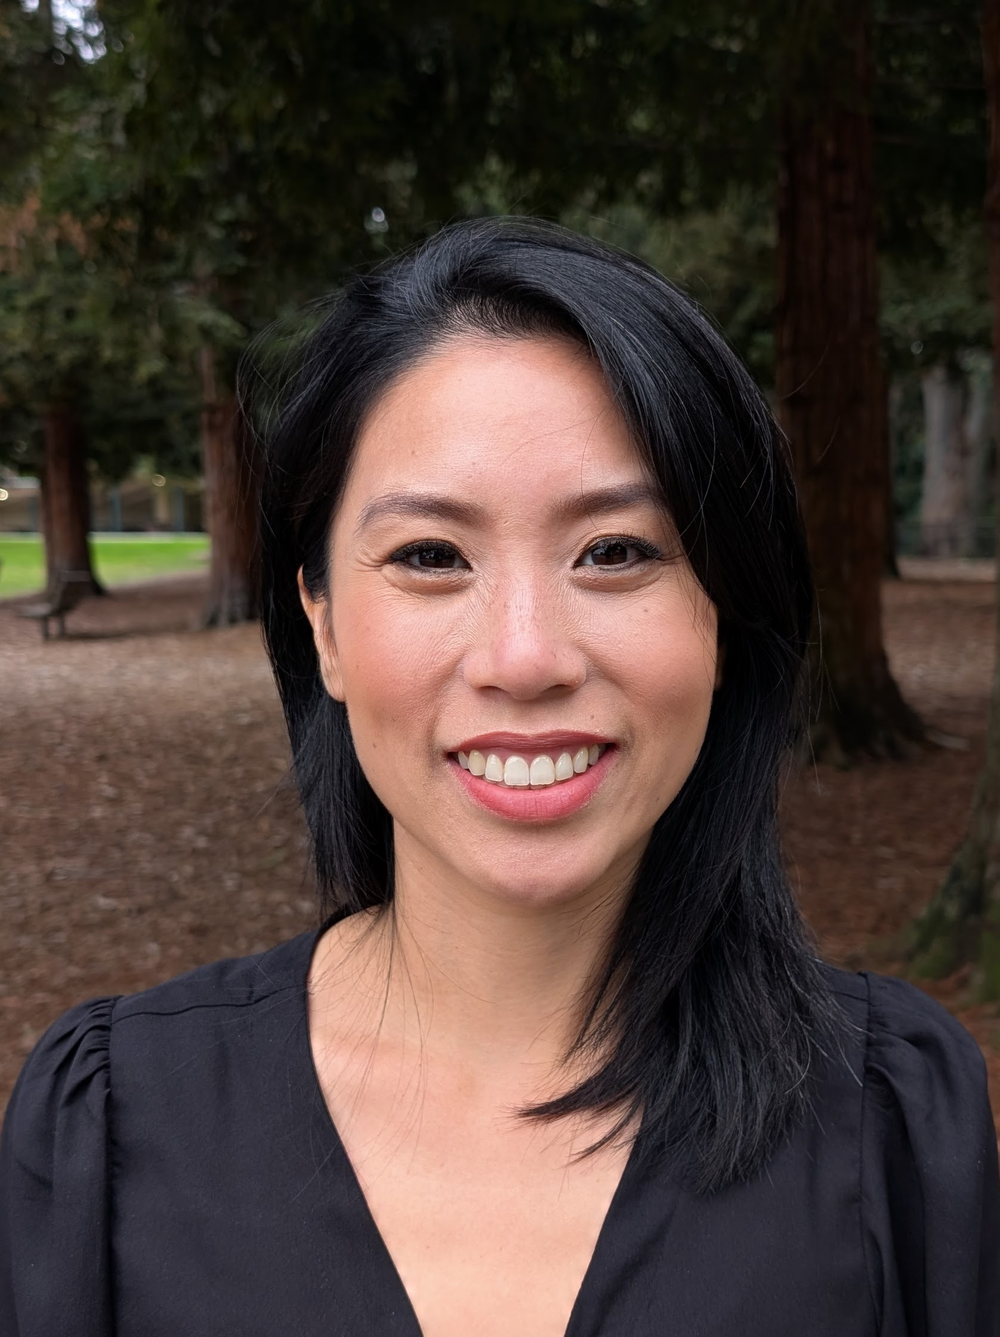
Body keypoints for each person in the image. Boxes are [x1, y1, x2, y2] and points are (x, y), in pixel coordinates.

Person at [1, 218, 997, 1337]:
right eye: (431, 556)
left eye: (616, 550)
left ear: (724, 613)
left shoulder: (892, 1121)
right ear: (321, 622)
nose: (525, 657)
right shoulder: (116, 1124)